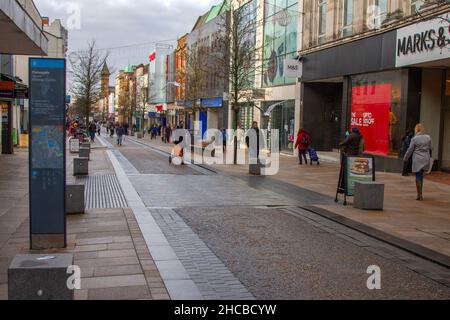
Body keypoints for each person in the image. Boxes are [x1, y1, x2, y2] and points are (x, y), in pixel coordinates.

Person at [404, 124, 432, 201]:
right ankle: (420, 193)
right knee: (421, 175)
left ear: (416, 130)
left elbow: (410, 149)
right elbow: (430, 148)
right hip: (426, 158)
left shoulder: (414, 139)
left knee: (418, 176)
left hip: (417, 159)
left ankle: (419, 194)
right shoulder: (428, 137)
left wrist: (405, 158)